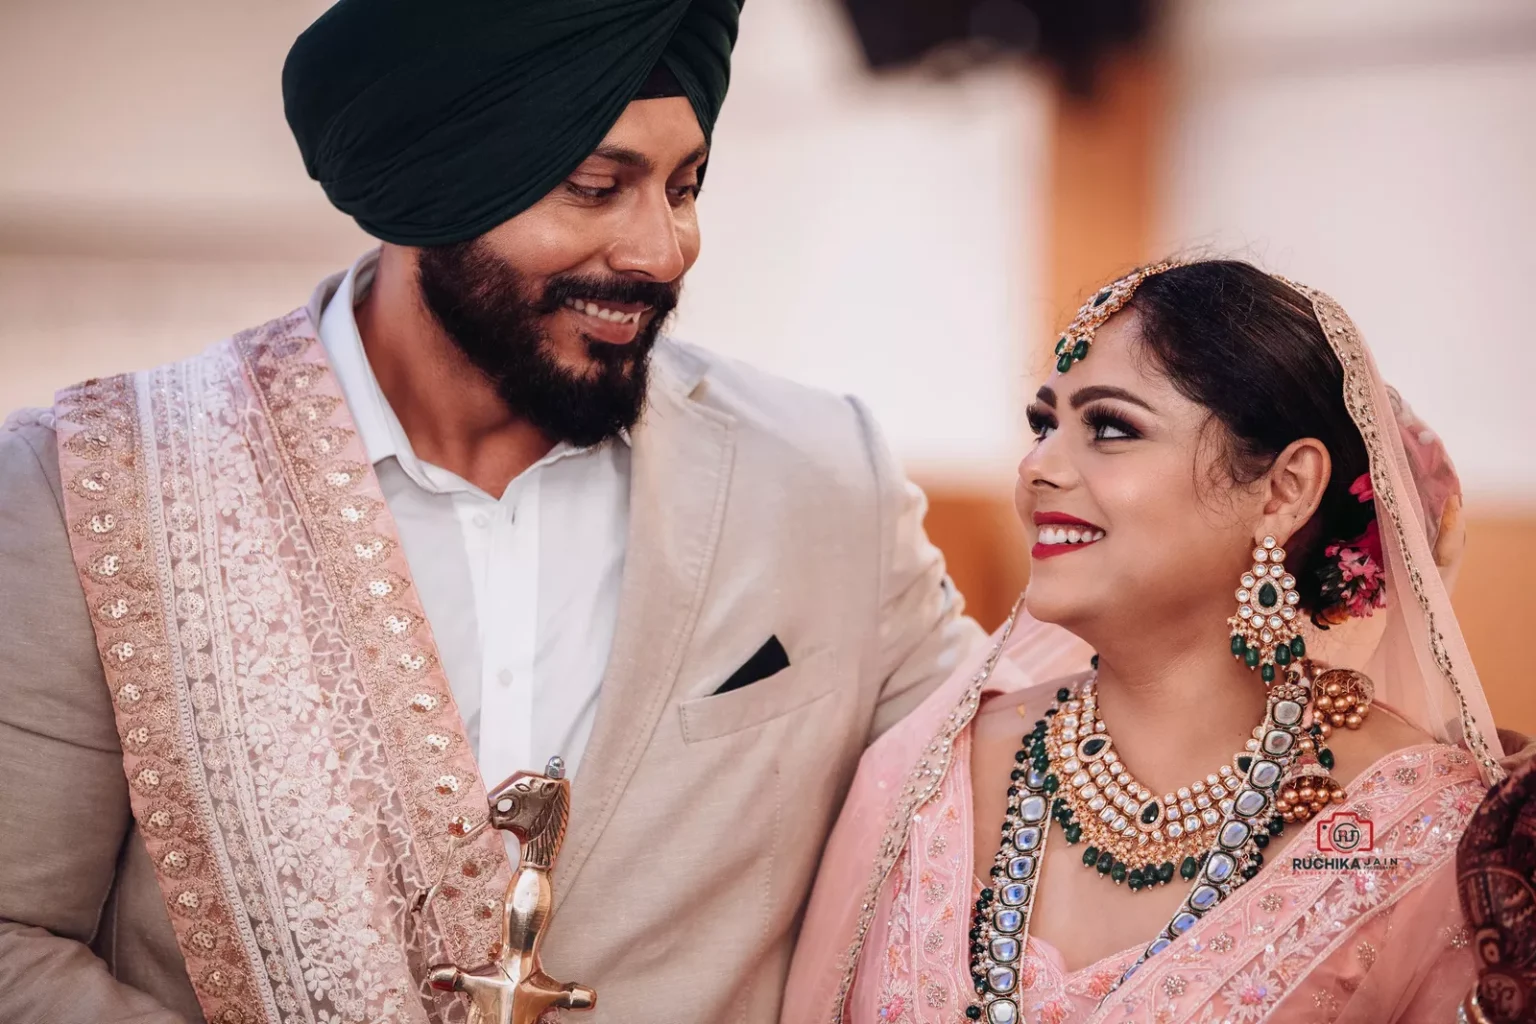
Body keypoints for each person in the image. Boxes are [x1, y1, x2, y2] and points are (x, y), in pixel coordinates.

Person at [0, 3, 988, 1022]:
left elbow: (993, 803)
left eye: (686, 186)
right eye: (597, 188)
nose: (664, 248)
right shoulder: (103, 488)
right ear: (436, 189)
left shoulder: (823, 478)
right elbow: (12, 938)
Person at [782, 260, 1519, 1023]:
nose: (1037, 468)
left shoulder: (1429, 836)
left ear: (1283, 489)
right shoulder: (928, 774)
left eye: (1110, 427)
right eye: (1043, 425)